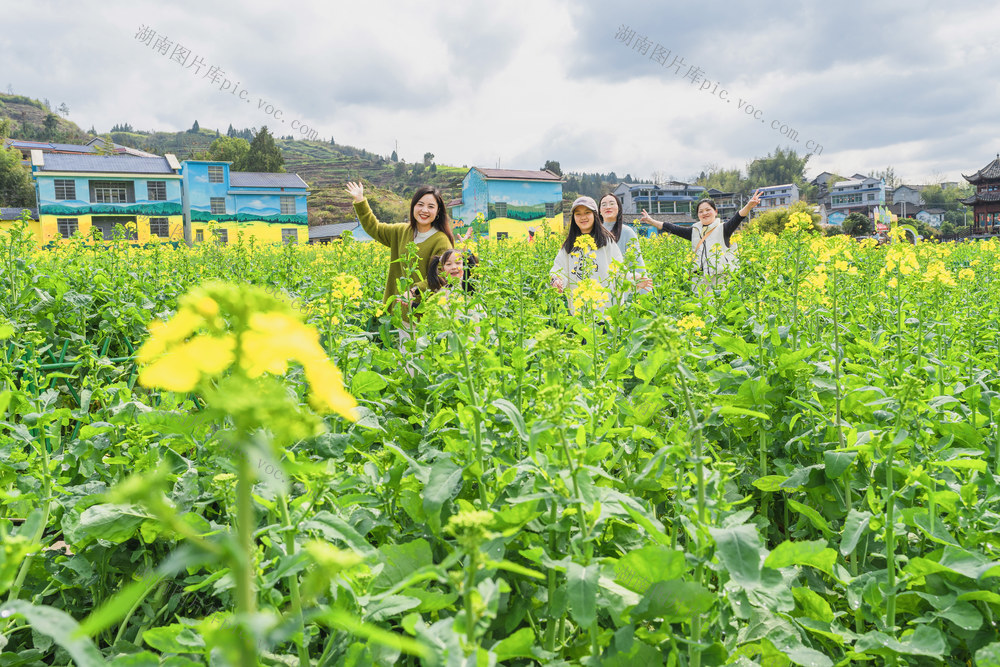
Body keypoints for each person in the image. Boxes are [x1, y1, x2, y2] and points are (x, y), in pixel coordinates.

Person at [346, 181, 453, 303]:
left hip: (421, 314)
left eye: (431, 206)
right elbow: (374, 227)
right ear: (413, 206)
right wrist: (360, 201)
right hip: (395, 312)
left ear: (438, 211)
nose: (424, 210)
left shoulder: (441, 241)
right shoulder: (401, 231)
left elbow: (441, 276)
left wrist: (414, 291)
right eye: (420, 204)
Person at [640, 190, 763, 293]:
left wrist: (749, 206)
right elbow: (671, 228)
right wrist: (651, 221)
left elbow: (738, 217)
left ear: (715, 211)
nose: (704, 213)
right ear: (698, 215)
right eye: (701, 211)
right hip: (698, 281)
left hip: (720, 280)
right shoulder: (694, 232)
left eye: (708, 210)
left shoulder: (724, 228)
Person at [549, 196, 625, 313]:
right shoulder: (569, 245)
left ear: (595, 215)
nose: (583, 217)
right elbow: (558, 268)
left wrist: (634, 280)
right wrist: (556, 280)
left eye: (587, 213)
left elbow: (619, 267)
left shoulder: (606, 241)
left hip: (604, 311)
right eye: (578, 214)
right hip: (580, 313)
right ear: (573, 218)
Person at [599, 193, 653, 293]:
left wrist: (645, 291)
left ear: (619, 208)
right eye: (604, 204)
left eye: (612, 203)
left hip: (624, 287)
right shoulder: (594, 233)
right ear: (600, 211)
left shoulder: (627, 232)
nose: (608, 207)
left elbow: (637, 262)